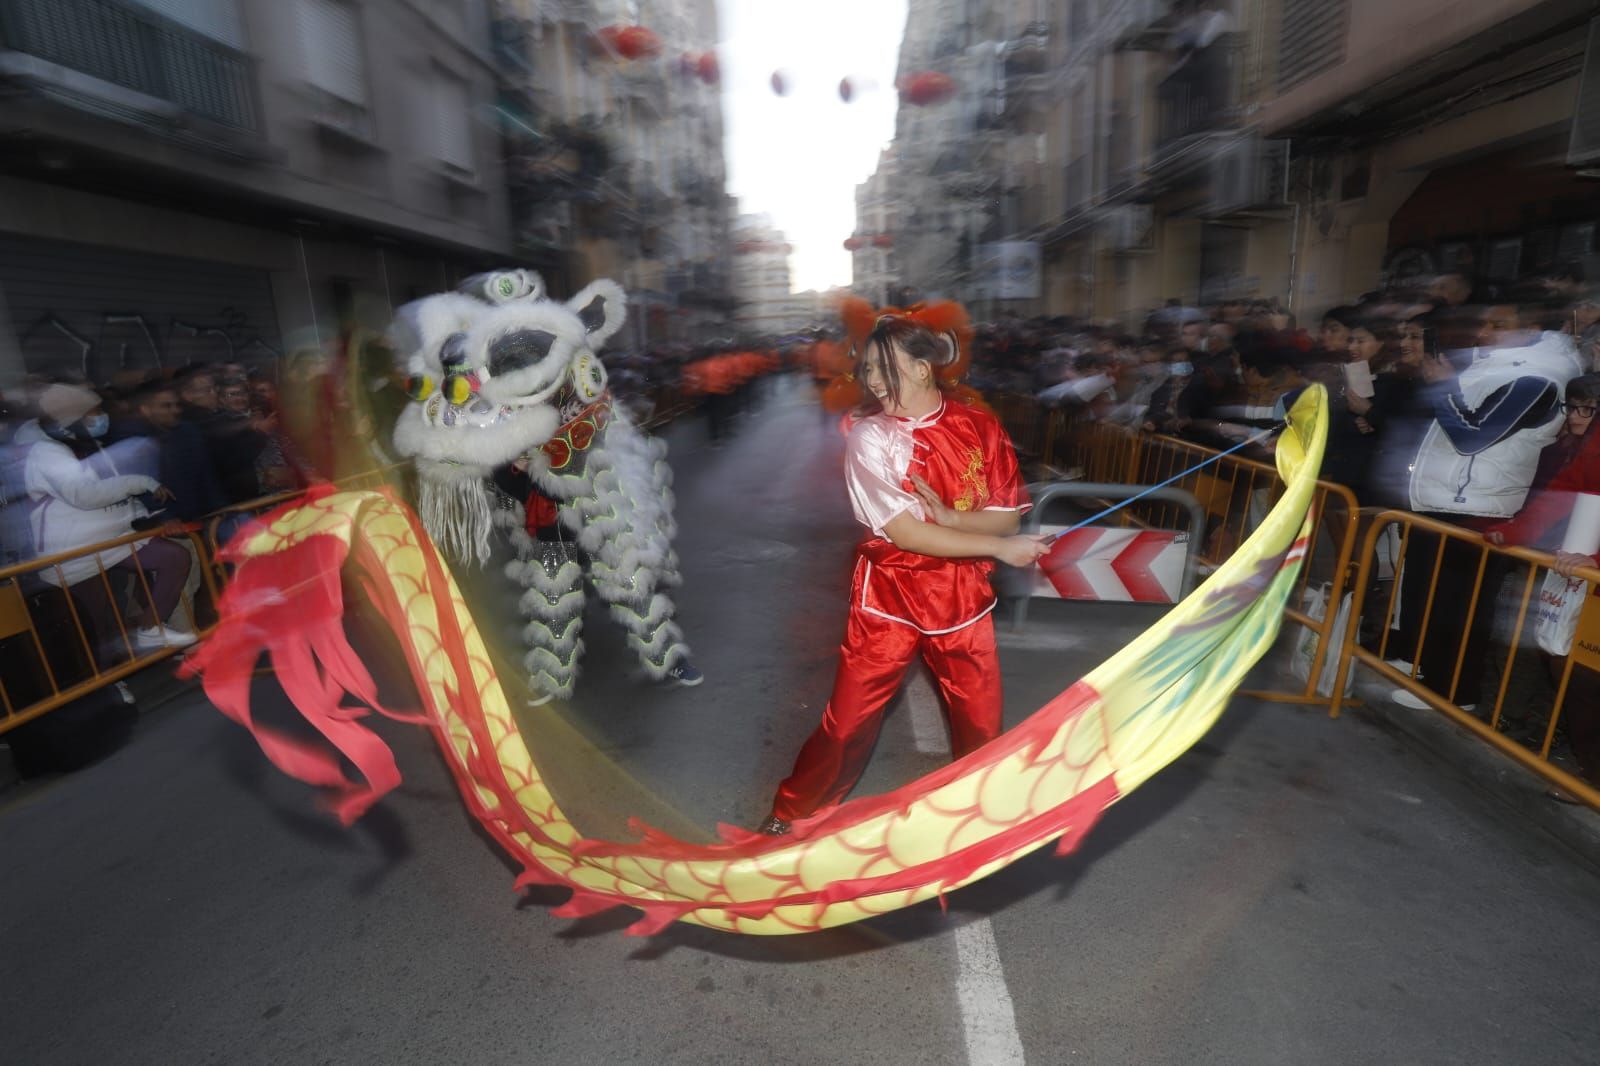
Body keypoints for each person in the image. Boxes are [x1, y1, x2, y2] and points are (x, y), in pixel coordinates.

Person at [759, 308, 1048, 836]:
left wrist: (953, 517)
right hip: (888, 599)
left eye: (882, 366)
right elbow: (908, 535)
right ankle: (794, 809)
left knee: (981, 728)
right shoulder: (869, 437)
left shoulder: (980, 426)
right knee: (846, 724)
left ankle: (976, 818)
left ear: (922, 368)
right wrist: (998, 549)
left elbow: (1006, 516)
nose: (871, 380)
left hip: (960, 596)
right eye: (866, 368)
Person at [1389, 296, 1583, 711]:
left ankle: (1455, 691)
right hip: (1447, 498)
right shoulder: (1497, 366)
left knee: (1460, 605)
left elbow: (1472, 436)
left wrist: (1443, 386)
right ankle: (1427, 670)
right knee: (1431, 596)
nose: (1484, 334)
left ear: (1530, 329)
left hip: (1480, 505)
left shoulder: (1540, 378)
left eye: (1498, 324)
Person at [15, 383, 195, 656]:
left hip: (111, 539)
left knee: (175, 558)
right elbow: (84, 495)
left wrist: (144, 517)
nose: (101, 418)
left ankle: (149, 628)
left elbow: (115, 494)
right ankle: (108, 688)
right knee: (98, 625)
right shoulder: (47, 452)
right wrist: (141, 482)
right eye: (94, 412)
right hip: (75, 552)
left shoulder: (88, 445)